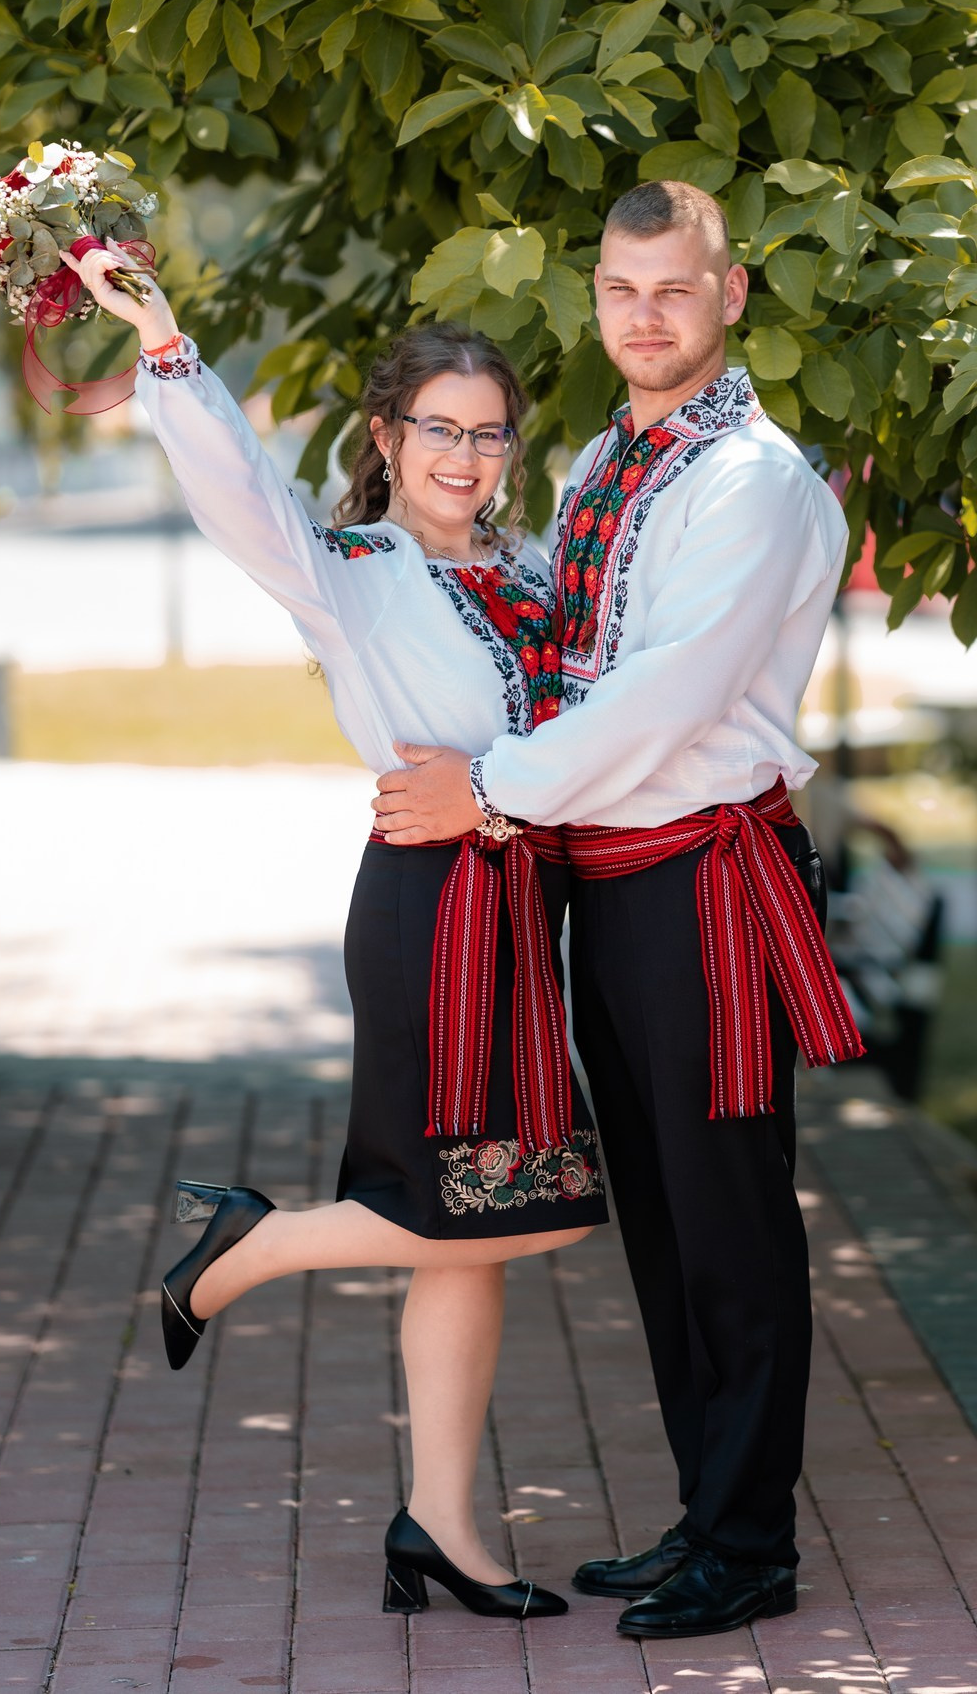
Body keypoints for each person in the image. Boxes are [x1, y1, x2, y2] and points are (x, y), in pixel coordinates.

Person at [63, 244, 598, 1623]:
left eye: (488, 433)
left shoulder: (534, 573)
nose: (466, 456)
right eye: (440, 429)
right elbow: (245, 502)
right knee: (476, 1208)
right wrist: (172, 349)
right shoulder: (352, 570)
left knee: (474, 1228)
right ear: (387, 436)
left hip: (521, 905)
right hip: (428, 903)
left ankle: (441, 1522)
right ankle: (245, 1245)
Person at [368, 180, 861, 1641]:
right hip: (614, 882)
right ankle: (707, 1513)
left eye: (674, 287)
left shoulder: (753, 481)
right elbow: (558, 631)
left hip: (704, 879)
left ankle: (751, 1541)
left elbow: (665, 697)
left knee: (731, 1215)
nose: (644, 314)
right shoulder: (604, 458)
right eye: (620, 289)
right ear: (598, 297)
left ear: (733, 292)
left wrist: (491, 788)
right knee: (660, 1214)